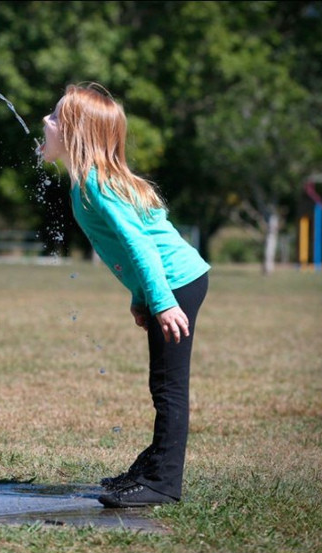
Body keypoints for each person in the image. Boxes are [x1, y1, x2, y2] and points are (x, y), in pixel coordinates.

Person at [38, 83, 210, 508]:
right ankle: (150, 469)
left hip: (176, 285)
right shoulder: (88, 182)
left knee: (169, 386)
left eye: (57, 118)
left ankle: (163, 483)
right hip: (167, 285)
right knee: (162, 384)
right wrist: (141, 297)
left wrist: (163, 301)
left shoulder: (95, 183)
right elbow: (131, 250)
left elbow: (141, 246)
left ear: (76, 133)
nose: (46, 121)